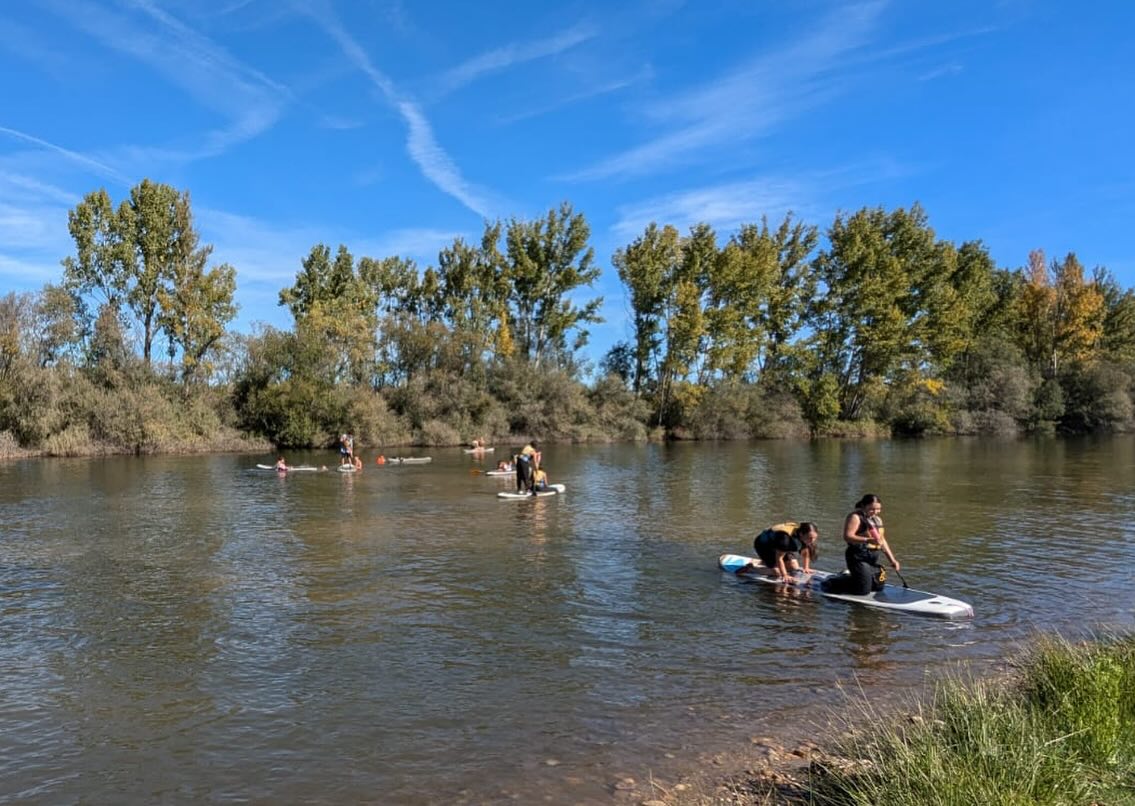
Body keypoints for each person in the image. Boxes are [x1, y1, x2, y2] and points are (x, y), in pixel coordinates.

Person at [822, 494, 901, 595]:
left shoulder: (877, 519)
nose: (876, 512)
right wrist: (868, 540)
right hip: (858, 556)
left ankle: (855, 576)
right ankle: (833, 581)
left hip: (872, 557)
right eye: (872, 509)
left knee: (878, 587)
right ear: (864, 506)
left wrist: (892, 560)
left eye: (878, 509)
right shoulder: (855, 517)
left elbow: (882, 541)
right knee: (863, 590)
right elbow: (847, 536)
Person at [735, 522, 818, 583]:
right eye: (810, 538)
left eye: (814, 538)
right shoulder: (785, 539)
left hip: (779, 545)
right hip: (764, 546)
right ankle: (750, 568)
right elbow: (779, 558)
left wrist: (806, 568)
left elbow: (805, 552)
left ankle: (764, 562)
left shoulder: (806, 538)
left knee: (794, 567)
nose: (812, 540)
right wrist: (784, 575)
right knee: (777, 572)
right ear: (801, 534)